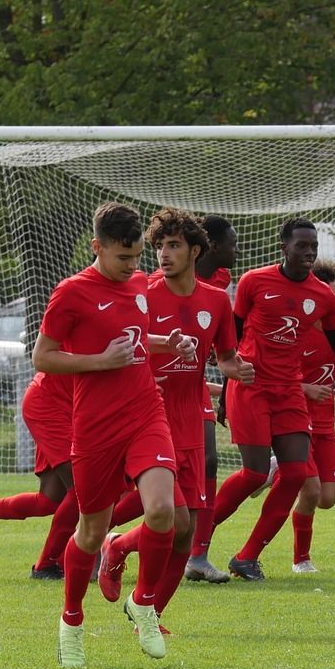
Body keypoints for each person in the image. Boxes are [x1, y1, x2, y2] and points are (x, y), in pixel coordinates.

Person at [33, 201, 199, 666]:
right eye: (123, 258)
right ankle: (71, 621)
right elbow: (43, 357)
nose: (134, 267)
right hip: (94, 425)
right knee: (91, 530)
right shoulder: (70, 293)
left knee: (165, 510)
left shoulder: (139, 286)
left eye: (137, 257)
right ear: (97, 248)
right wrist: (99, 362)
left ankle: (142, 603)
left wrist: (169, 342)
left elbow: (135, 338)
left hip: (146, 412)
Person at [97, 208, 251, 602]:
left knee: (183, 528)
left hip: (190, 417)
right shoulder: (141, 291)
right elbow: (119, 341)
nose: (164, 254)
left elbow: (226, 356)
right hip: (148, 415)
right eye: (161, 246)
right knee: (173, 517)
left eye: (174, 246)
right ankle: (115, 553)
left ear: (196, 251)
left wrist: (241, 369)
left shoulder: (217, 300)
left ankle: (123, 557)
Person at [212, 219, 335, 580]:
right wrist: (226, 387)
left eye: (313, 246)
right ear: (284, 247)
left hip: (294, 399)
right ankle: (197, 539)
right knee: (254, 474)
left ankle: (247, 556)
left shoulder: (323, 300)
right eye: (302, 245)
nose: (309, 251)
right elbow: (231, 339)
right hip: (253, 388)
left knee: (302, 479)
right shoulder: (254, 281)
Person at [0, 368, 78, 579]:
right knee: (82, 489)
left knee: (50, 501)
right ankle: (49, 565)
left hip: (69, 406)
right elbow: (42, 356)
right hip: (52, 404)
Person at [184, 215, 240, 581]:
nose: (237, 250)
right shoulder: (164, 283)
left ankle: (197, 557)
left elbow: (223, 349)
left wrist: (227, 390)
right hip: (157, 390)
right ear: (211, 246)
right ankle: (103, 541)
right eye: (232, 243)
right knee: (147, 483)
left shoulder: (220, 284)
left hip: (194, 388)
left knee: (208, 462)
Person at [287, 259, 335, 573]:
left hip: (327, 421)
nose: (333, 302)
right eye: (328, 295)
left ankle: (276, 470)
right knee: (310, 491)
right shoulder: (296, 326)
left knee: (327, 498)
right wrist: (305, 387)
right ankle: (301, 559)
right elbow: (274, 373)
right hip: (295, 419)